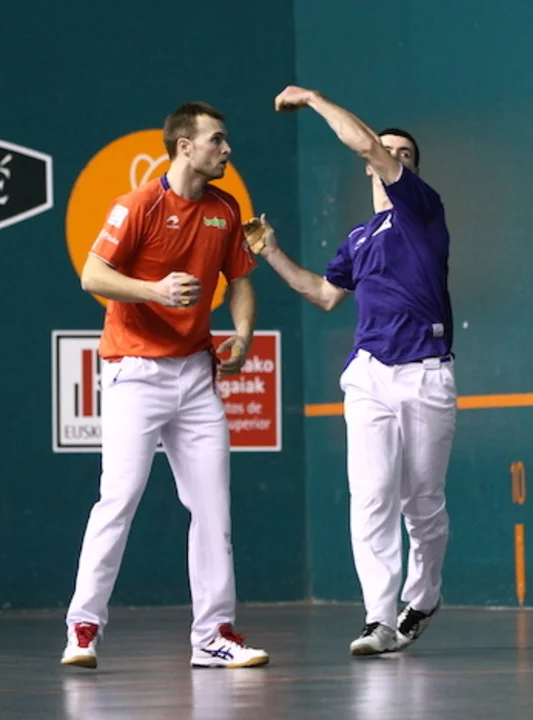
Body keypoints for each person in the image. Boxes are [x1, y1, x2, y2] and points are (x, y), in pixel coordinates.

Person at [246, 85, 457, 656]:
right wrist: (271, 252)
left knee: (422, 503)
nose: (389, 156)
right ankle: (378, 619)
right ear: (368, 170)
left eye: (402, 154)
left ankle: (424, 597)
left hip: (426, 374)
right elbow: (322, 294)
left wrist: (313, 99)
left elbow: (365, 143)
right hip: (368, 375)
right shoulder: (359, 239)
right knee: (370, 497)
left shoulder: (422, 210)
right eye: (387, 151)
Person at [60, 101, 269, 670]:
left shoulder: (225, 209)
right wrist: (154, 291)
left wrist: (242, 335)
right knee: (119, 498)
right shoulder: (138, 205)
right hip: (135, 372)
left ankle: (213, 635)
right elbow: (93, 274)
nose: (226, 149)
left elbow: (239, 280)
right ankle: (83, 628)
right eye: (216, 140)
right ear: (185, 146)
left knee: (213, 508)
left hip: (197, 375)